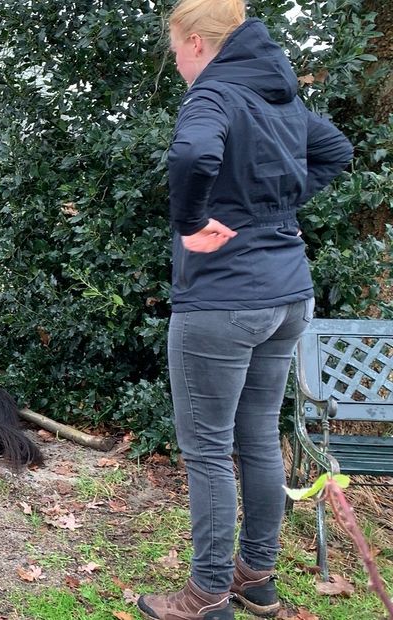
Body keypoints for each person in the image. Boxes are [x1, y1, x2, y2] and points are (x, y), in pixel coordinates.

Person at [137, 1, 353, 619]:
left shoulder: (214, 96)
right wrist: (271, 212)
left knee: (207, 450)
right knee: (258, 436)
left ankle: (206, 596)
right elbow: (335, 151)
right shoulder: (275, 97)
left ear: (198, 45)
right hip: (288, 296)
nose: (176, 61)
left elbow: (192, 157)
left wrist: (190, 224)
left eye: (176, 49)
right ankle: (256, 576)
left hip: (224, 302)